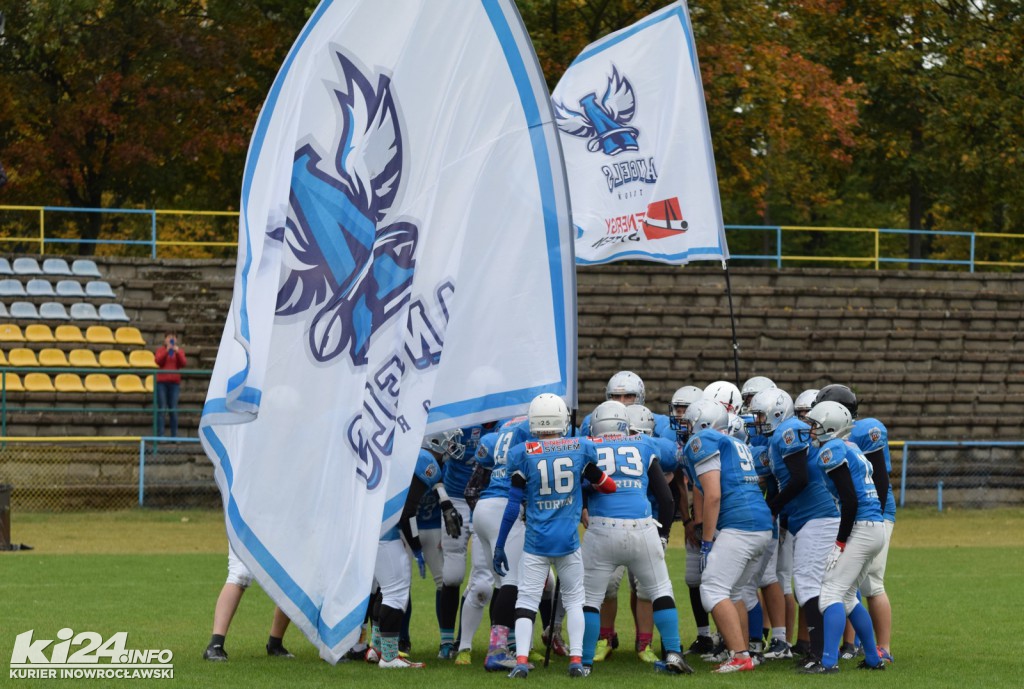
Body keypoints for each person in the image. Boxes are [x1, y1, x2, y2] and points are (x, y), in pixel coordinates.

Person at [492, 393, 616, 678]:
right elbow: (609, 487)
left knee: (526, 600)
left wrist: (500, 544)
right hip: (568, 541)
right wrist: (583, 482)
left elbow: (513, 506)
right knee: (574, 600)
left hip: (536, 542)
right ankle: (575, 661)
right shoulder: (580, 448)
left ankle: (521, 660)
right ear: (563, 418)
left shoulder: (522, 452)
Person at [580, 401, 691, 675]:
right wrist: (663, 534)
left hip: (602, 528)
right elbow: (666, 498)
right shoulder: (642, 444)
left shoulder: (586, 446)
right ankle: (674, 652)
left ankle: (583, 661)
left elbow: (577, 492)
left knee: (591, 598)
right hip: (642, 526)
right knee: (661, 590)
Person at [681, 398, 773, 674]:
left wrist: (707, 542)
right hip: (761, 524)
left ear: (703, 423)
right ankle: (743, 652)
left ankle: (741, 655)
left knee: (712, 589)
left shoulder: (703, 440)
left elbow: (713, 495)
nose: (687, 428)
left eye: (689, 422)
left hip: (740, 524)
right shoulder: (736, 442)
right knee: (734, 592)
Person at [799, 401, 886, 674]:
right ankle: (873, 658)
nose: (811, 430)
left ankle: (828, 662)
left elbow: (849, 500)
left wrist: (840, 542)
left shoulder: (833, 449)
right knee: (848, 598)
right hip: (875, 527)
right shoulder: (851, 447)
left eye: (815, 425)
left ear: (830, 426)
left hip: (862, 525)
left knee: (830, 595)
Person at [202, 546, 293, 661]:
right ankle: (215, 645)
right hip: (249, 528)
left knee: (291, 579)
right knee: (240, 574)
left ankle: (275, 643)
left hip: (281, 529)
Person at [154, 333, 187, 437]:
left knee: (173, 409)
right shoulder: (161, 350)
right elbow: (158, 361)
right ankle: (160, 435)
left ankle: (174, 436)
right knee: (162, 408)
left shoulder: (179, 351)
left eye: (173, 337)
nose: (171, 339)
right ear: (165, 340)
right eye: (169, 337)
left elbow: (183, 363)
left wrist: (177, 352)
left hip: (174, 384)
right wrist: (167, 351)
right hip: (162, 383)